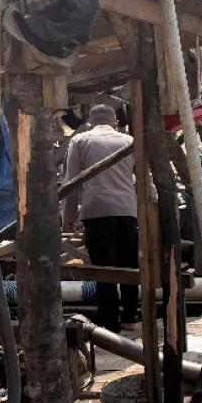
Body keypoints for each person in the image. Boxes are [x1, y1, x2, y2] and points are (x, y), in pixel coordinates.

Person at [62, 104, 139, 333]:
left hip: (96, 211)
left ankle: (110, 323)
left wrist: (67, 216)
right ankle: (130, 318)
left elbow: (71, 183)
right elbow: (144, 178)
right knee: (128, 266)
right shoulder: (129, 141)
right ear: (115, 122)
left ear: (89, 122)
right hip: (127, 210)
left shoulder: (80, 141)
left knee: (104, 269)